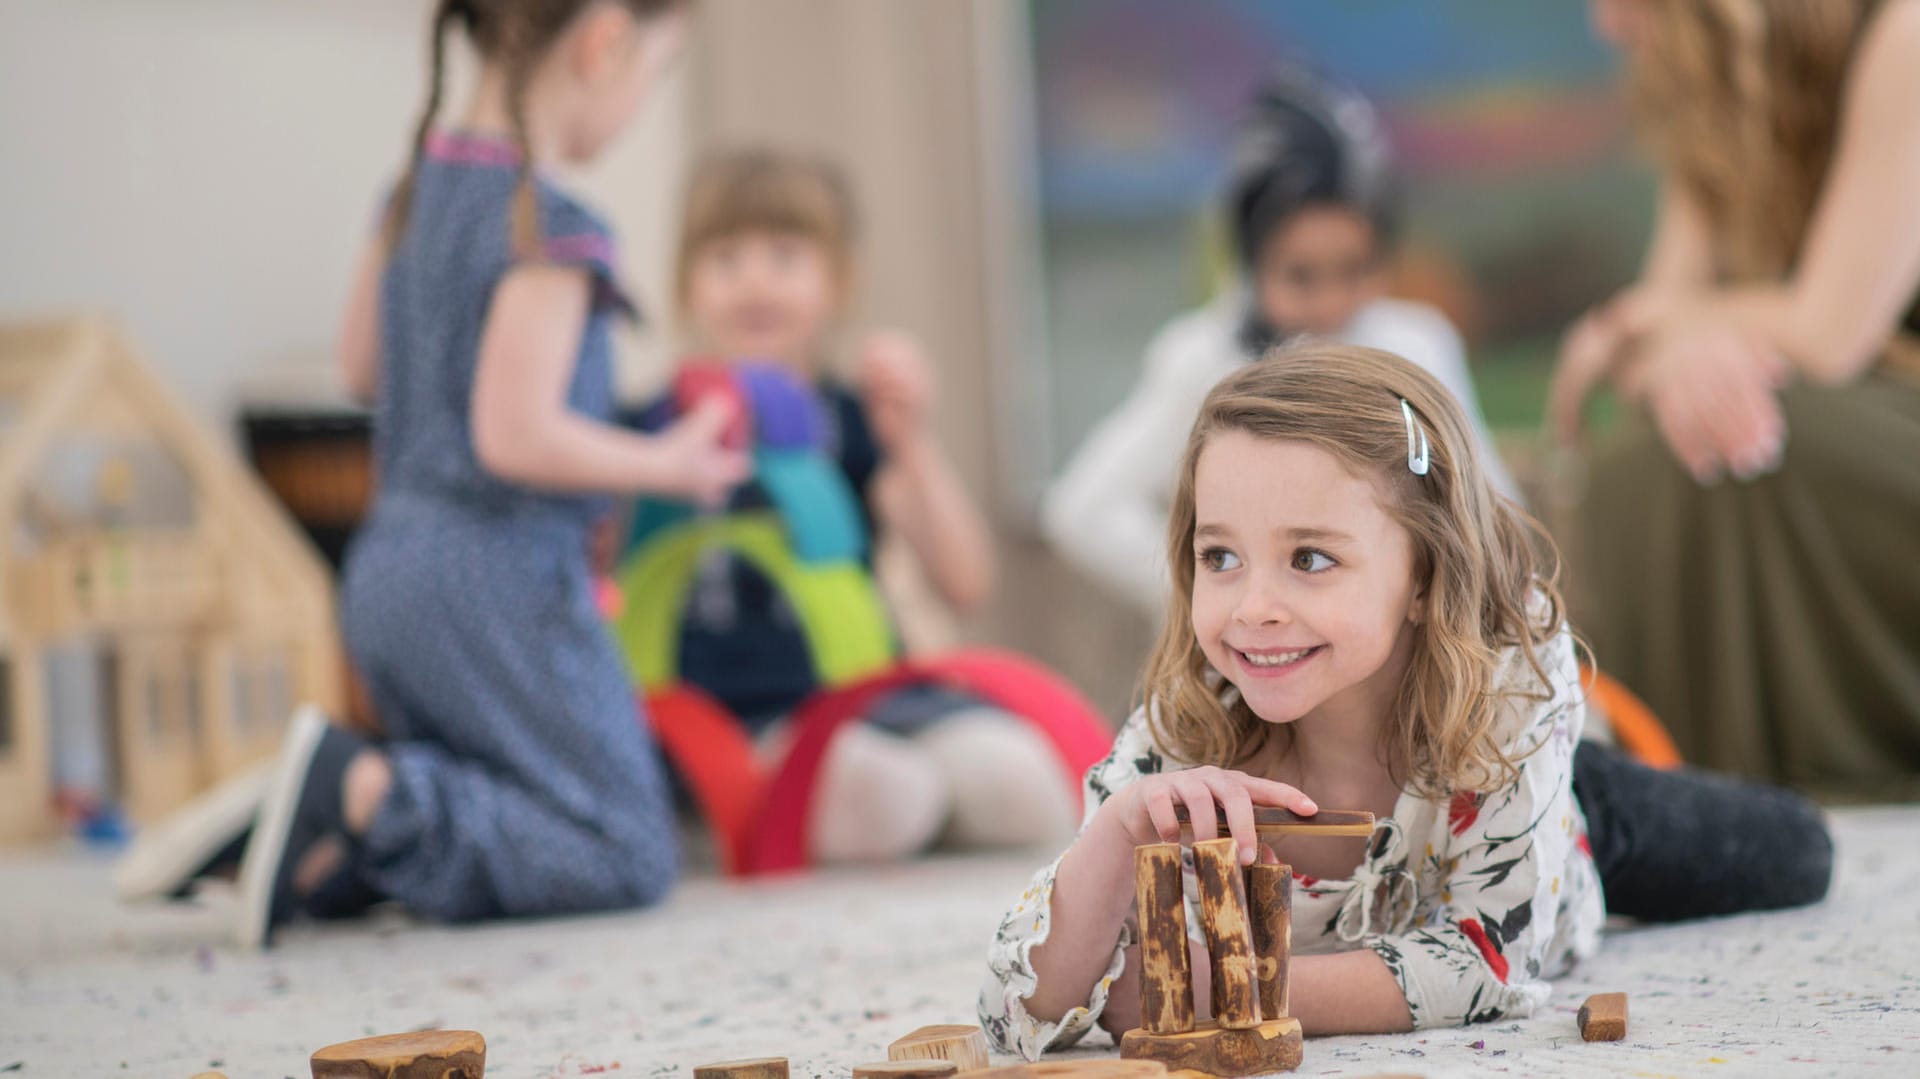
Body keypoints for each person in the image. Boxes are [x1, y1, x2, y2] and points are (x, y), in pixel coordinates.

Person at [982, 345, 1830, 1056]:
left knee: (1795, 854)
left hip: (1528, 798)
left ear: (1425, 575)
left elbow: (1494, 959)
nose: (1252, 607)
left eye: (1309, 558)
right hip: (1447, 806)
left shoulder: (1511, 692)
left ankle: (1592, 772)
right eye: (1220, 557)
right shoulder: (1186, 727)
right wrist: (1118, 830)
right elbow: (1016, 1008)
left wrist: (1222, 991)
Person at [116, 0, 748, 947]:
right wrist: (669, 461)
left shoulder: (412, 189)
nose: (641, 105)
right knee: (624, 845)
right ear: (603, 41)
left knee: (504, 793)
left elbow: (361, 365)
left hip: (386, 572)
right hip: (499, 583)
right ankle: (361, 784)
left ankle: (325, 840)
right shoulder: (558, 229)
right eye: (653, 77)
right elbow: (513, 434)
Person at [637, 149, 1078, 861]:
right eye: (725, 257)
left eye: (784, 255)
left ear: (836, 283)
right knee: (883, 797)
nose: (755, 278)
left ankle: (898, 815)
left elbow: (966, 583)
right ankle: (740, 817)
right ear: (686, 285)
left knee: (1023, 786)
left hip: (867, 697)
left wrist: (914, 444)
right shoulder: (651, 428)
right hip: (729, 714)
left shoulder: (854, 417)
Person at [1549, 0, 1920, 786]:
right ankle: (1678, 785)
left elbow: (1829, 332)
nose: (1605, 24)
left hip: (1887, 423)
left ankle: (1816, 773)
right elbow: (1668, 308)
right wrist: (1683, 350)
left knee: (1758, 443)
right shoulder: (1714, 97)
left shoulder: (1902, 34)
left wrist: (1645, 328)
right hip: (1834, 406)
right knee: (1641, 464)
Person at [1044, 65, 1518, 616]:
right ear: (1250, 265)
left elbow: (1492, 512)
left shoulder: (1416, 349)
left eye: (1356, 270)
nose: (1331, 304)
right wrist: (1218, 592)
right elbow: (1083, 510)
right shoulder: (1205, 360)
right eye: (1301, 276)